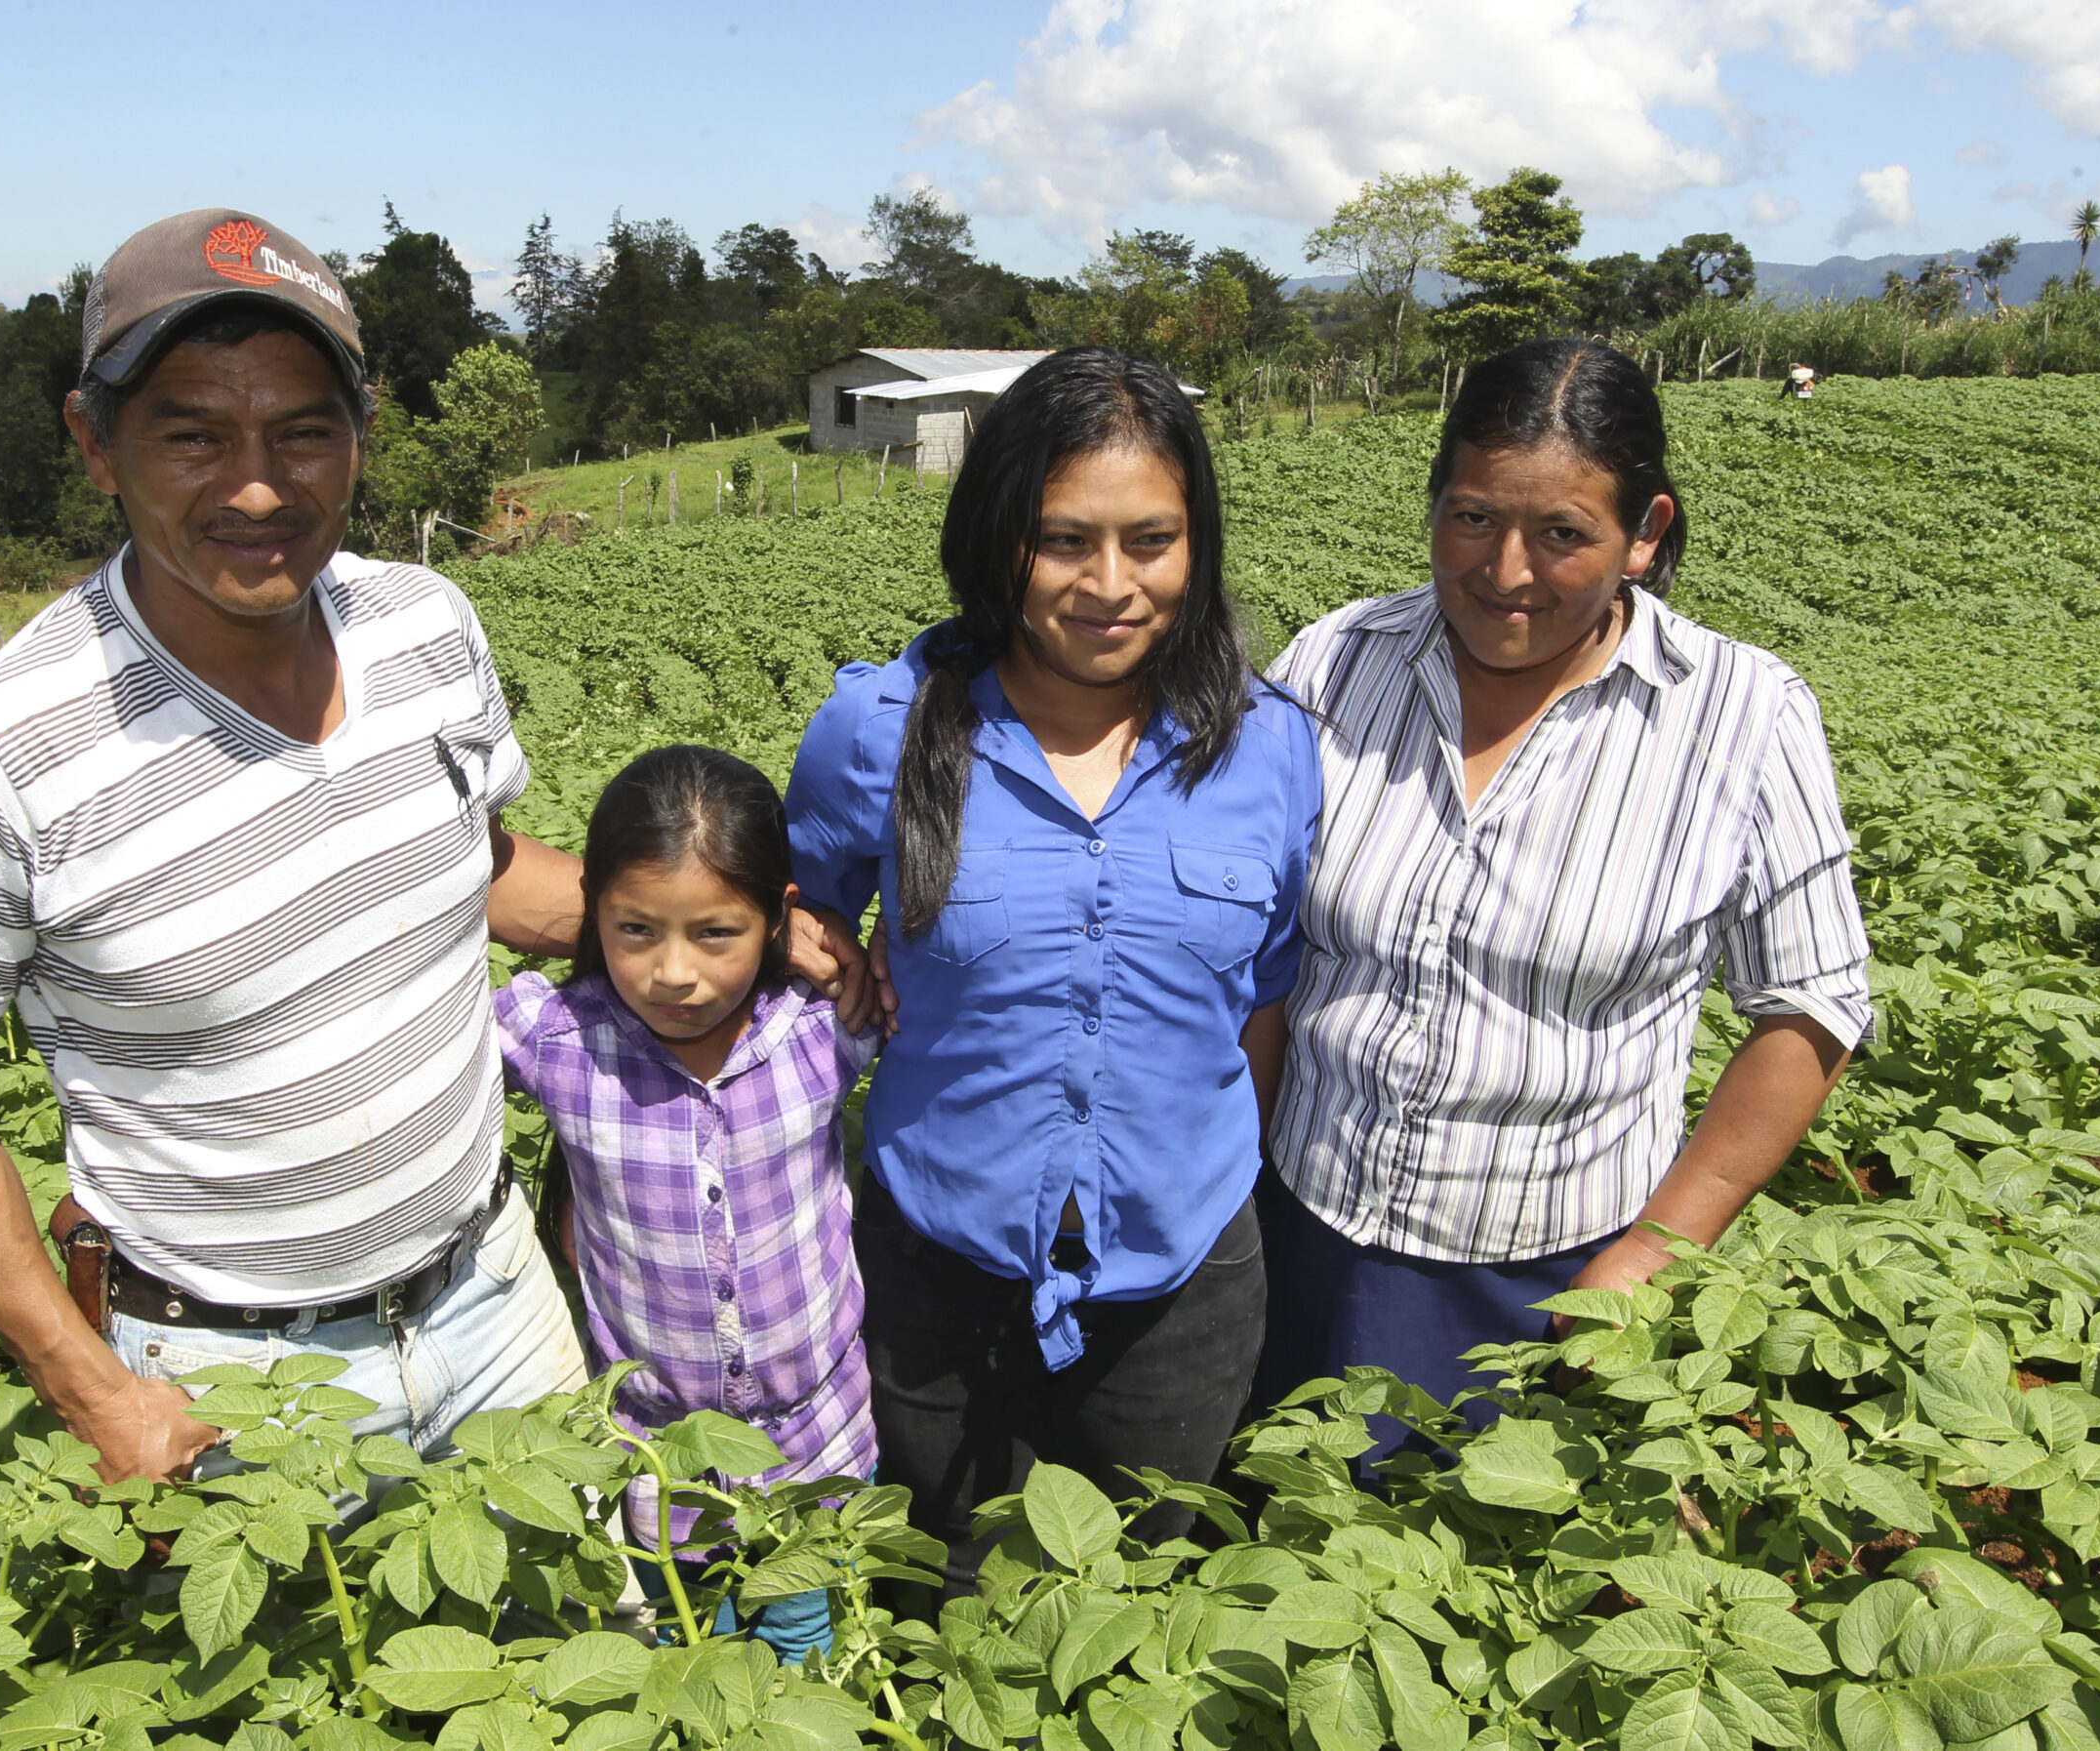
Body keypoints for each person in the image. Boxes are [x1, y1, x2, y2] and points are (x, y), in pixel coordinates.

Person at [0, 208, 869, 1486]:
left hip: (501, 1307)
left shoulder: (425, 626)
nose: (259, 486)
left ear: (360, 435)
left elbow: (481, 865)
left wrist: (750, 939)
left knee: (588, 1666)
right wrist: (94, 1390)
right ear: (95, 443)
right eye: (192, 435)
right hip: (234, 1378)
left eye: (302, 431)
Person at [1256, 337, 1873, 1434]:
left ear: (1645, 535)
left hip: (1549, 1276)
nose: (1503, 574)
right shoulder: (1333, 661)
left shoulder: (1741, 715)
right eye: (1472, 518)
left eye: (1562, 535)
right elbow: (1241, 940)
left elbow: (1810, 1006)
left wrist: (1649, 1256)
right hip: (1294, 1227)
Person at [786, 347, 1320, 1591]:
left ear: (1199, 543)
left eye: (1152, 541)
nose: (1112, 586)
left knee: (1134, 1612)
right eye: (1064, 541)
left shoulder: (1270, 750)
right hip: (936, 1275)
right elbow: (796, 898)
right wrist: (814, 945)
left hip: (1181, 1283)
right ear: (997, 537)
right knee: (955, 1604)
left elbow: (1264, 1004)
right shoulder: (881, 727)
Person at [496, 745, 876, 1661]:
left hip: (811, 1447)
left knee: (803, 1661)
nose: (674, 973)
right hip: (661, 1465)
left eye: (716, 933)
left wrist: (840, 948)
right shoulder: (557, 1038)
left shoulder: (827, 1032)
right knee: (684, 1661)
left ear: (778, 921)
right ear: (592, 913)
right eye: (635, 932)